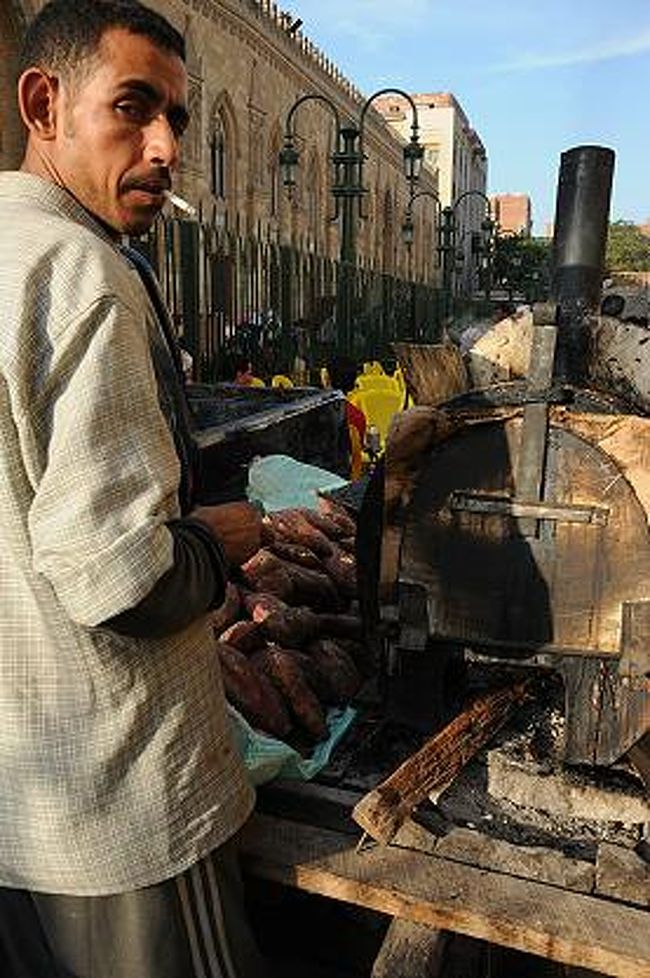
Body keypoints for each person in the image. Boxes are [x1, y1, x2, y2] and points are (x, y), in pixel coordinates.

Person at [0, 2, 268, 976]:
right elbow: (120, 582)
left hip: (22, 803)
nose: (164, 146)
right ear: (44, 103)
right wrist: (214, 541)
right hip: (123, 811)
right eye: (132, 107)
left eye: (180, 121)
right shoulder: (80, 272)